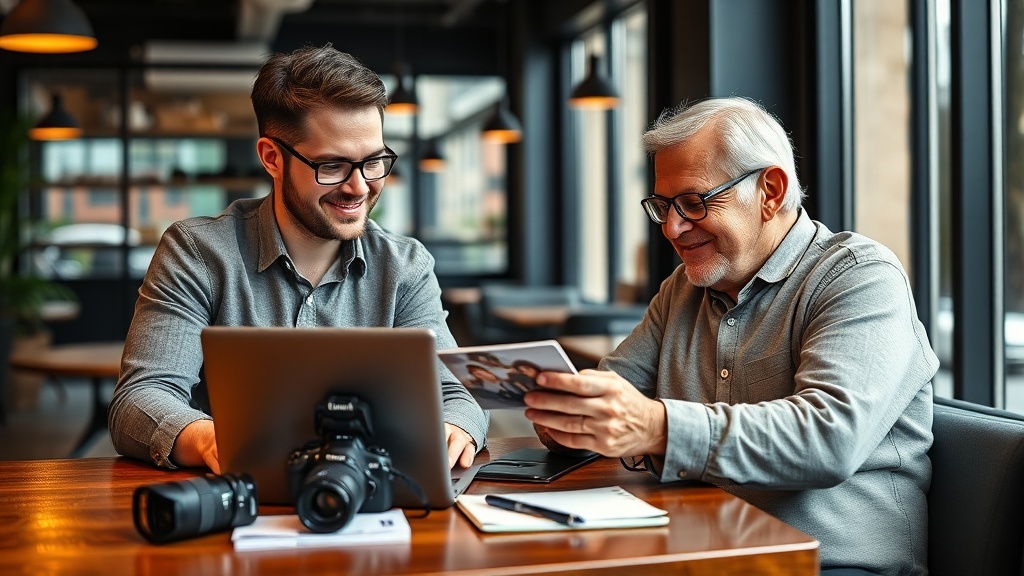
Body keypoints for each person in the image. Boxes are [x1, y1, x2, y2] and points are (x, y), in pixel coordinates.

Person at [523, 96, 937, 576]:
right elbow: (618, 394)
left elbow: (829, 439)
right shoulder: (682, 289)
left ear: (770, 191)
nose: (673, 228)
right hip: (702, 550)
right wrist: (571, 418)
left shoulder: (860, 277)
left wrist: (655, 427)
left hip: (833, 564)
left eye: (693, 203)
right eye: (662, 207)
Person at [108, 43, 487, 474]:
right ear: (272, 158)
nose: (360, 187)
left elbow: (459, 395)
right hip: (236, 495)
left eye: (374, 162)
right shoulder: (197, 252)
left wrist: (458, 427)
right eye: (332, 166)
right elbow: (139, 400)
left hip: (371, 496)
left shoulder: (405, 266)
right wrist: (214, 440)